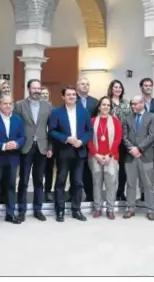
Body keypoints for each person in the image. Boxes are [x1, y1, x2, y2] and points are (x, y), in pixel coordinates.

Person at [49, 86, 93, 222]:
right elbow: (52, 131)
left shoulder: (84, 112)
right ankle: (60, 210)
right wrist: (66, 139)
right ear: (63, 97)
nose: (72, 97)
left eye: (74, 94)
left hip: (79, 151)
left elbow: (89, 131)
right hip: (63, 151)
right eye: (69, 95)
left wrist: (82, 141)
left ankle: (76, 209)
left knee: (78, 182)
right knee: (61, 181)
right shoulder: (56, 112)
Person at [14, 80, 52, 222]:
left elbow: (51, 128)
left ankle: (38, 209)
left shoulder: (47, 105)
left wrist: (50, 147)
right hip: (26, 146)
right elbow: (16, 125)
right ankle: (21, 211)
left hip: (42, 146)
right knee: (23, 180)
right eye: (34, 88)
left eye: (39, 88)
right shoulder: (19, 105)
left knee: (39, 180)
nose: (37, 91)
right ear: (28, 89)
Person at [0, 94, 26, 226]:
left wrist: (16, 143)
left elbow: (23, 137)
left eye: (10, 103)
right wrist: (3, 145)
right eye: (5, 103)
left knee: (10, 186)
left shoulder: (18, 119)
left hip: (13, 158)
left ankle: (10, 213)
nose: (8, 106)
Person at [122, 95, 154, 221]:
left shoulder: (152, 117)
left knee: (148, 184)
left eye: (135, 104)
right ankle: (130, 208)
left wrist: (139, 148)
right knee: (131, 184)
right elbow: (124, 136)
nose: (133, 106)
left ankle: (150, 209)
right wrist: (132, 149)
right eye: (132, 104)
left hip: (146, 156)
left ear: (142, 103)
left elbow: (152, 135)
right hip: (130, 156)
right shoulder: (127, 118)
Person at [88, 96, 123, 220]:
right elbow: (89, 140)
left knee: (111, 184)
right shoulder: (92, 121)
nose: (106, 107)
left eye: (108, 105)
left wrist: (109, 155)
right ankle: (97, 208)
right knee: (97, 183)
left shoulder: (115, 121)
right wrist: (96, 154)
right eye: (104, 104)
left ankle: (110, 209)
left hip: (111, 157)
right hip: (95, 157)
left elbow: (118, 138)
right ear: (99, 106)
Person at [108, 79, 131, 201]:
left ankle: (120, 191)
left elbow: (130, 120)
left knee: (123, 167)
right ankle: (109, 192)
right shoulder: (106, 102)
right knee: (110, 167)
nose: (118, 89)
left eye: (120, 87)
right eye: (115, 87)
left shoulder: (127, 103)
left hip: (124, 138)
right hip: (109, 139)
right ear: (111, 88)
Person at [76, 77, 98, 202]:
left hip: (91, 138)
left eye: (87, 84)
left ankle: (90, 195)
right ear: (77, 85)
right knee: (76, 169)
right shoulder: (73, 99)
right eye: (82, 84)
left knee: (89, 169)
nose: (85, 86)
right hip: (76, 139)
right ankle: (75, 195)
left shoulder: (94, 102)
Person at [41, 86, 55, 202]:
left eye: (46, 93)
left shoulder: (53, 110)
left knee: (49, 169)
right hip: (38, 143)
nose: (45, 95)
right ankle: (39, 191)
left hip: (50, 143)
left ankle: (48, 191)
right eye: (42, 93)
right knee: (39, 169)